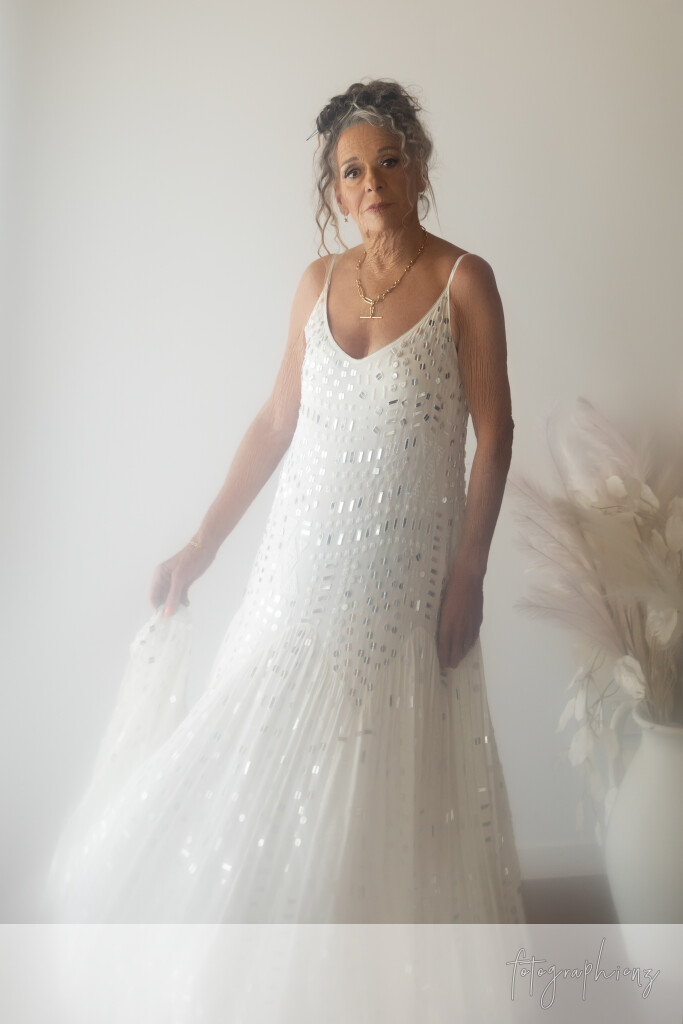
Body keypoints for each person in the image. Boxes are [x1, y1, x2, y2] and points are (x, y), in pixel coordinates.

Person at [45, 79, 526, 930]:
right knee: (258, 744)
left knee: (377, 769)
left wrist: (470, 574)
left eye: (387, 161)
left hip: (405, 585)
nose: (370, 182)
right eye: (351, 171)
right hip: (297, 569)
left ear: (417, 170)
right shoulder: (315, 282)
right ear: (333, 193)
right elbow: (275, 424)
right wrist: (200, 546)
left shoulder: (464, 281)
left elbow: (495, 437)